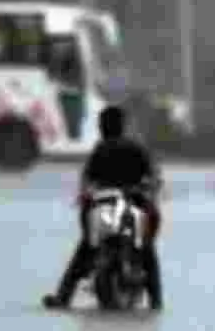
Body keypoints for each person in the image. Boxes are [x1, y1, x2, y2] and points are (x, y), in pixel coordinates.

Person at [42, 106, 164, 310]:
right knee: (147, 249)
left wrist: (86, 194)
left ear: (103, 127)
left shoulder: (102, 149)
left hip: (113, 204)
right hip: (127, 202)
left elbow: (86, 180)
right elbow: (153, 177)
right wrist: (150, 190)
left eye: (101, 124)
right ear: (122, 126)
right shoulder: (134, 148)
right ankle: (156, 300)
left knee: (85, 249)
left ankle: (63, 297)